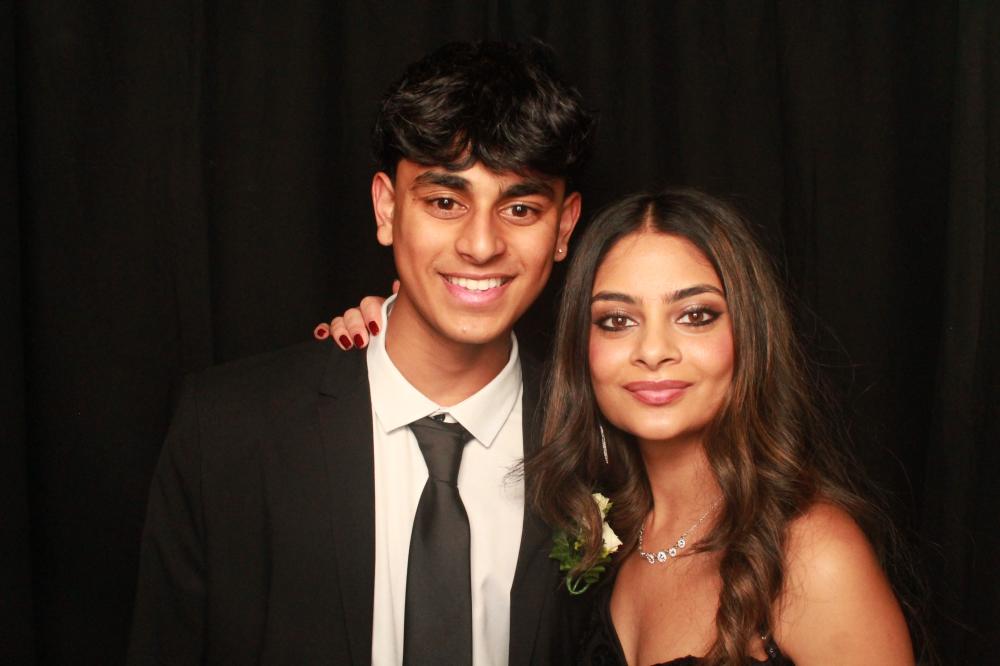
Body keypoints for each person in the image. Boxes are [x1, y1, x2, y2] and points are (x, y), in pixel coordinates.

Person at [128, 40, 595, 665]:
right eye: (445, 202)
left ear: (563, 227)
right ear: (387, 207)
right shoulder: (226, 432)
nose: (481, 245)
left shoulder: (599, 449)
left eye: (520, 208)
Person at [329, 189, 916, 665]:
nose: (653, 351)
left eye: (695, 315)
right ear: (581, 348)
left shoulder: (812, 554)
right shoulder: (594, 530)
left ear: (750, 334)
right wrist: (402, 330)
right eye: (616, 320)